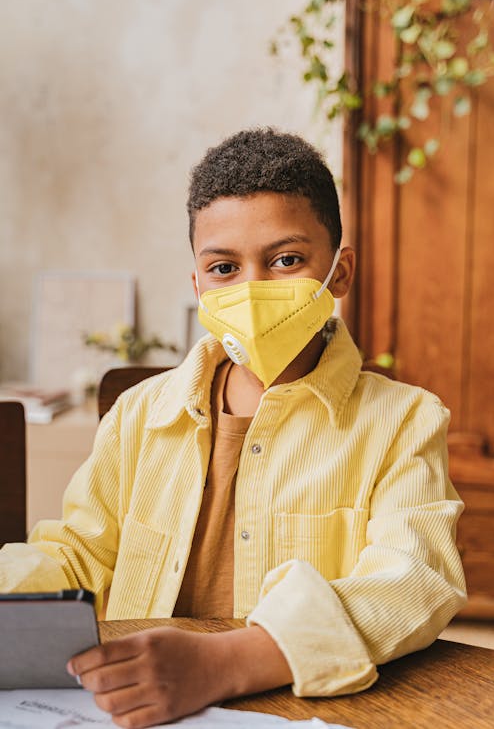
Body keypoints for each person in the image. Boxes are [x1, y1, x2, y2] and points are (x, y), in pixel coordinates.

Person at [0, 128, 466, 729]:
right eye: (224, 267)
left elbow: (413, 581)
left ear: (340, 272)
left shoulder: (404, 421)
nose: (251, 289)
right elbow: (75, 553)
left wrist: (226, 662)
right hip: (138, 707)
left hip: (299, 708)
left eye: (286, 260)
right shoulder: (138, 415)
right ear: (198, 285)